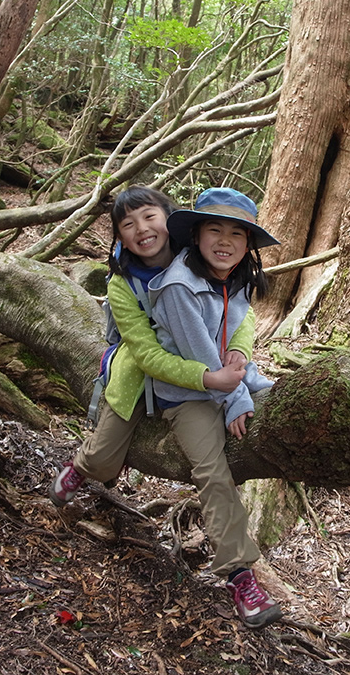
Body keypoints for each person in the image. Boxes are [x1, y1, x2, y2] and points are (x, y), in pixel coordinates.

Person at [49, 186, 249, 504]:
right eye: (128, 225)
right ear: (120, 239)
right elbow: (146, 355)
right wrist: (208, 378)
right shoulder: (123, 284)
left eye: (149, 216)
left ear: (169, 219)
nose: (141, 228)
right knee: (102, 461)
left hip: (202, 357)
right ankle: (80, 465)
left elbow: (239, 302)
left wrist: (239, 347)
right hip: (142, 375)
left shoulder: (199, 254)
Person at [146, 187, 283, 630]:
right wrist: (236, 397)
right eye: (214, 230)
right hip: (186, 392)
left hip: (228, 379)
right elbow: (200, 355)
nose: (225, 241)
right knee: (212, 469)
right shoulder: (178, 286)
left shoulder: (234, 277)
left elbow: (242, 322)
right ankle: (240, 574)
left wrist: (242, 359)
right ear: (197, 236)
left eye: (237, 234)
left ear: (247, 245)